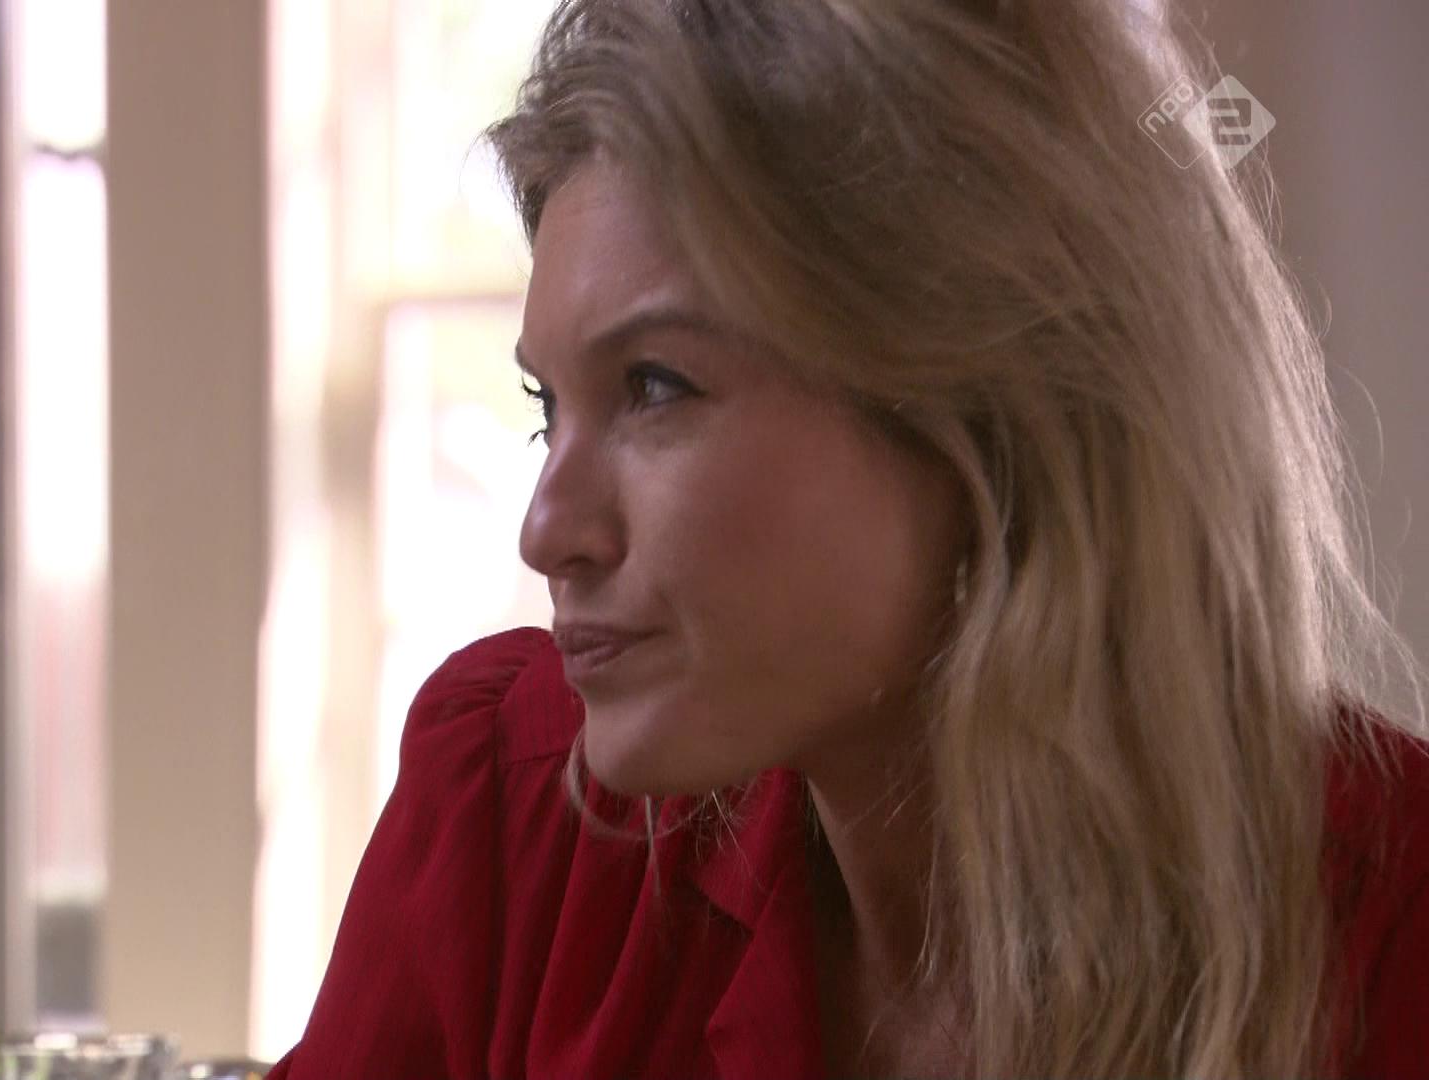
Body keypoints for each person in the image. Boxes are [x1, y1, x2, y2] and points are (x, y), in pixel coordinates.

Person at [267, 0, 1429, 1076]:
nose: (546, 530)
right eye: (547, 406)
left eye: (656, 386)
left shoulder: (1391, 924)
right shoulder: (511, 829)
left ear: (1001, 419)